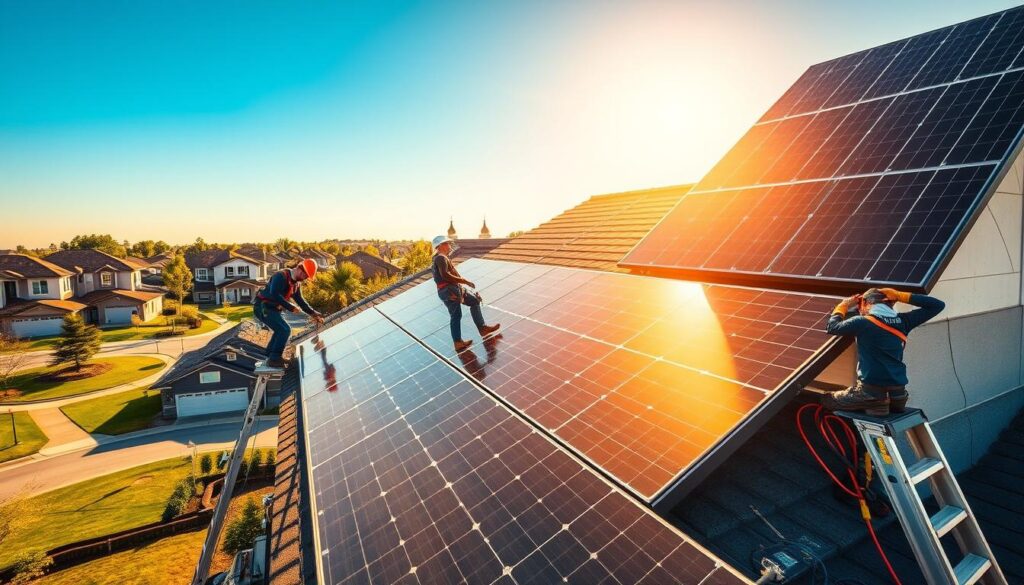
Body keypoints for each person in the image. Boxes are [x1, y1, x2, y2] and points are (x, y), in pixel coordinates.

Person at [823, 287, 945, 415]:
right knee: (891, 394)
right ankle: (893, 401)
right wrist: (900, 295)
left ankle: (876, 401)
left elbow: (832, 327)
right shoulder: (904, 321)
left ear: (867, 303)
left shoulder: (862, 322)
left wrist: (843, 305)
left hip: (871, 393)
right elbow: (937, 305)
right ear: (890, 304)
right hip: (899, 393)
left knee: (827, 399)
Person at [431, 235, 500, 351]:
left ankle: (482, 328)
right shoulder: (440, 258)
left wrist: (463, 287)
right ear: (440, 246)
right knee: (456, 315)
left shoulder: (443, 258)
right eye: (447, 243)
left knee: (474, 301)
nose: (449, 246)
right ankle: (457, 342)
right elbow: (445, 275)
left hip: (452, 289)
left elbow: (452, 275)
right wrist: (465, 281)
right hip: (449, 291)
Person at [253, 258, 324, 368]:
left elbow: (300, 301)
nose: (305, 279)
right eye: (305, 276)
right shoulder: (280, 276)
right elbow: (275, 294)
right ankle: (275, 359)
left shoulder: (296, 284)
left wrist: (313, 313)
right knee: (285, 329)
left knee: (280, 330)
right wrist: (291, 307)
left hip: (273, 309)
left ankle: (269, 354)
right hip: (263, 307)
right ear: (301, 270)